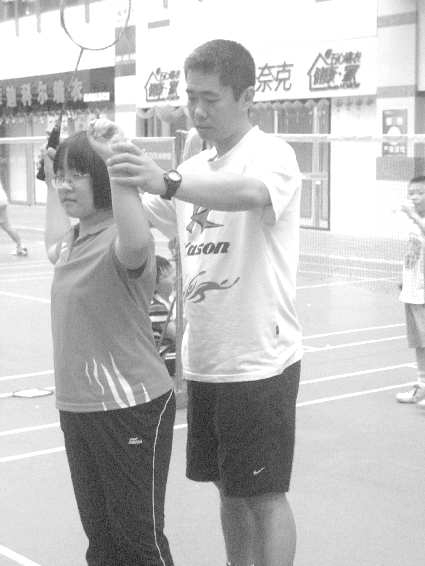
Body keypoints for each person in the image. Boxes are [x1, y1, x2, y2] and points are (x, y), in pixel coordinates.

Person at [97, 38, 302, 566]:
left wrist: (169, 179)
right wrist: (118, 158)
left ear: (247, 97)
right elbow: (140, 218)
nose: (199, 109)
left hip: (259, 359)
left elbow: (251, 194)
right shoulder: (194, 168)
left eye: (211, 98)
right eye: (191, 97)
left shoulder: (272, 155)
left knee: (264, 493)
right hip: (206, 360)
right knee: (229, 489)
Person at [43, 130, 176, 566]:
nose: (65, 185)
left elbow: (137, 243)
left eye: (77, 175)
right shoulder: (72, 242)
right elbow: (51, 243)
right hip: (78, 408)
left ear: (101, 178)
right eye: (61, 176)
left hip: (130, 406)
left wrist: (117, 163)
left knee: (138, 542)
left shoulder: (122, 239)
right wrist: (49, 170)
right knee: (101, 542)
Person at [396, 175, 425, 408]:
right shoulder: (412, 223)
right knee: (419, 342)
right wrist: (404, 279)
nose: (414, 197)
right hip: (413, 291)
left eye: (420, 193)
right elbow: (412, 252)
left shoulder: (417, 219)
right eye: (411, 193)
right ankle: (422, 386)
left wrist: (414, 216)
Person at [0, 178, 28, 256]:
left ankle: (20, 246)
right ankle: (20, 246)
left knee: (6, 226)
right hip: (2, 200)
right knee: (7, 226)